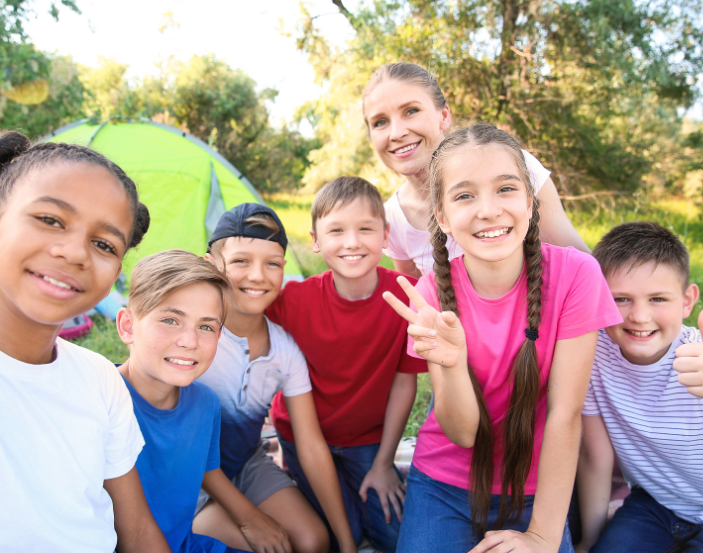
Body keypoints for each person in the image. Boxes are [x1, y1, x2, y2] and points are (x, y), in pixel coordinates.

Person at [0, 131, 170, 552]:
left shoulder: (100, 378)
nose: (76, 252)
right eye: (50, 220)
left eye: (103, 243)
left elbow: (135, 530)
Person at [382, 123, 621, 553]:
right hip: (444, 484)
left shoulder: (576, 276)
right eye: (465, 195)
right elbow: (462, 434)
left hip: (538, 487)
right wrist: (453, 364)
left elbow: (565, 416)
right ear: (443, 216)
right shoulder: (431, 294)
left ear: (531, 203)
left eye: (505, 189)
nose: (488, 211)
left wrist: (544, 537)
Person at [266, 177, 428, 553]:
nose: (352, 242)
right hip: (303, 436)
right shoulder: (295, 298)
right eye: (336, 230)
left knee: (395, 537)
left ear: (386, 235)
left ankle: (388, 474)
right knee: (345, 536)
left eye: (365, 229)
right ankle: (292, 474)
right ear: (316, 240)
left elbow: (405, 385)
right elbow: (241, 309)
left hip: (368, 440)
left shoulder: (406, 297)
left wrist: (384, 463)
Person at [194, 204, 356, 553]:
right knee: (257, 547)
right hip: (185, 475)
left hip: (244, 464)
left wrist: (347, 545)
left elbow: (311, 446)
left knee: (313, 541)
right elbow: (180, 442)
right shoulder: (194, 339)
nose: (258, 276)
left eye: (272, 263)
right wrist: (249, 518)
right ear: (211, 264)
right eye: (240, 261)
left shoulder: (284, 350)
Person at [575, 222, 703, 553]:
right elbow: (594, 456)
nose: (640, 316)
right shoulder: (594, 355)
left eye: (658, 298)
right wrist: (590, 540)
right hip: (653, 505)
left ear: (687, 301)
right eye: (621, 299)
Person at [362, 61, 589, 279]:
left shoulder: (513, 168)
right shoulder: (393, 217)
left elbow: (585, 267)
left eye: (411, 111)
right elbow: (418, 302)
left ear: (443, 116)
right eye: (380, 122)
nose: (396, 133)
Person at [115, 249, 254, 553]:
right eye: (170, 320)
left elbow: (206, 470)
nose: (190, 341)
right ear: (127, 326)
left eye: (206, 326)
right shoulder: (101, 399)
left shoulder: (206, 404)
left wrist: (251, 519)